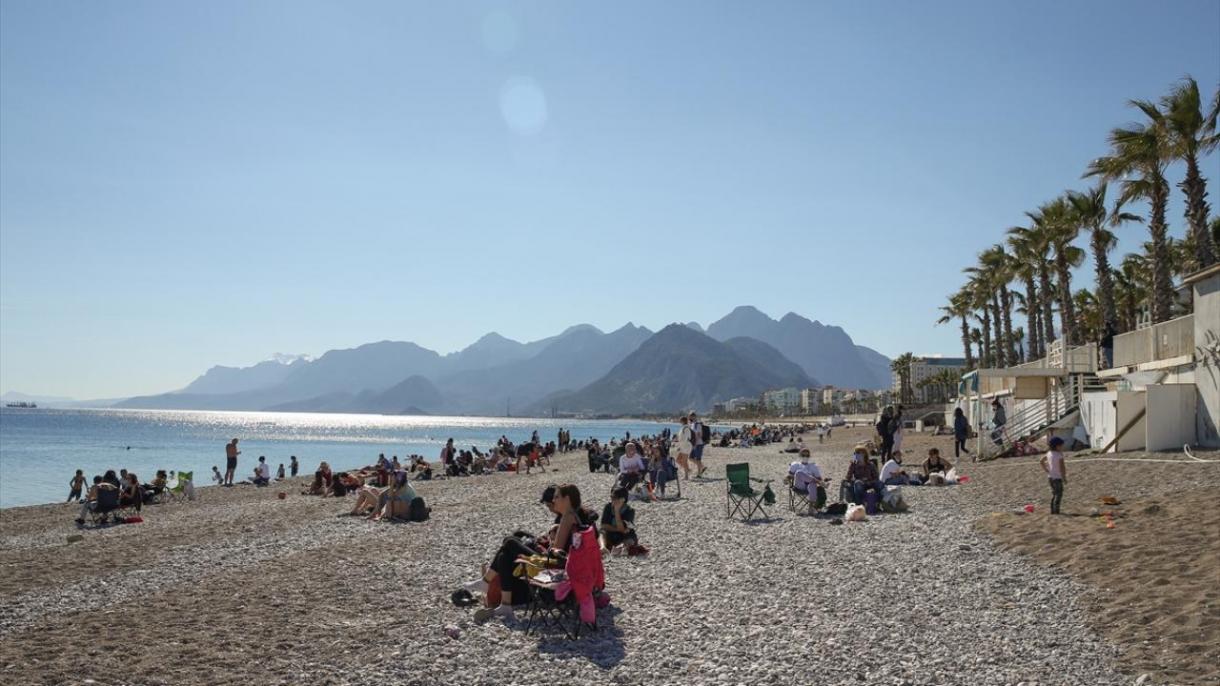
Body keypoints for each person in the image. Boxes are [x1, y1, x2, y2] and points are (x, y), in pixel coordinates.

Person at [469, 484, 597, 623]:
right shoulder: (574, 515)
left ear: (567, 499)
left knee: (511, 542)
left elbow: (556, 551)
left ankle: (488, 584)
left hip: (555, 565)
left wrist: (542, 545)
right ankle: (503, 603)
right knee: (505, 553)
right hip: (563, 562)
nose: (554, 501)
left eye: (556, 497)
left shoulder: (567, 517)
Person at [600, 487, 638, 555]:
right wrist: (618, 529)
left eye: (614, 497)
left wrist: (617, 511)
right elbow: (603, 526)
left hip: (623, 536)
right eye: (611, 497)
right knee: (601, 532)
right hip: (611, 534)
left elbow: (623, 529)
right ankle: (603, 547)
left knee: (630, 538)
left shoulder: (629, 510)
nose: (612, 500)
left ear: (622, 499)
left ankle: (620, 547)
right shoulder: (608, 507)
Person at [1041, 436, 1067, 515]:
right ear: (1057, 446)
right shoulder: (1059, 455)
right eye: (1061, 445)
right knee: (1059, 494)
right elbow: (1062, 467)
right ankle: (1056, 511)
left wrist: (1046, 470)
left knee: (1054, 494)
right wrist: (1064, 478)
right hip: (1057, 478)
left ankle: (1052, 510)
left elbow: (1041, 461)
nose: (1062, 447)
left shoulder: (1049, 453)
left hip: (1050, 477)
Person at [689, 412, 707, 478]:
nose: (690, 417)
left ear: (694, 416)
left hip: (698, 444)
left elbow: (699, 435)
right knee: (690, 458)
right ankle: (702, 466)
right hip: (693, 444)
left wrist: (695, 443)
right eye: (690, 416)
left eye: (691, 416)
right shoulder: (692, 424)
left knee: (698, 459)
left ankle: (699, 473)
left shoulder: (698, 424)